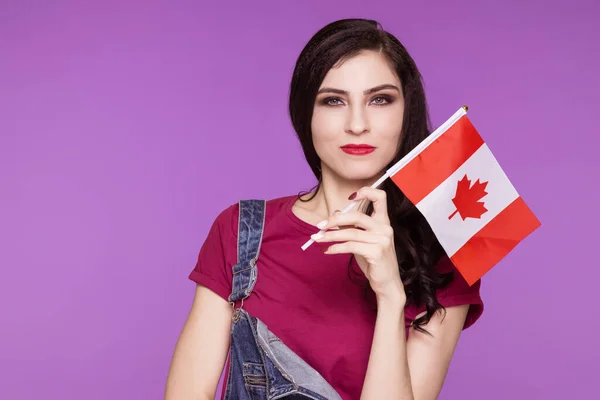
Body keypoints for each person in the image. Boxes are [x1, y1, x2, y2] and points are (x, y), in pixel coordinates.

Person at [165, 18, 483, 400]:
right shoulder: (241, 232)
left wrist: (390, 295)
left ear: (406, 111)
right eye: (333, 101)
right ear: (306, 114)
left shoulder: (444, 248)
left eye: (380, 99)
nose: (357, 124)